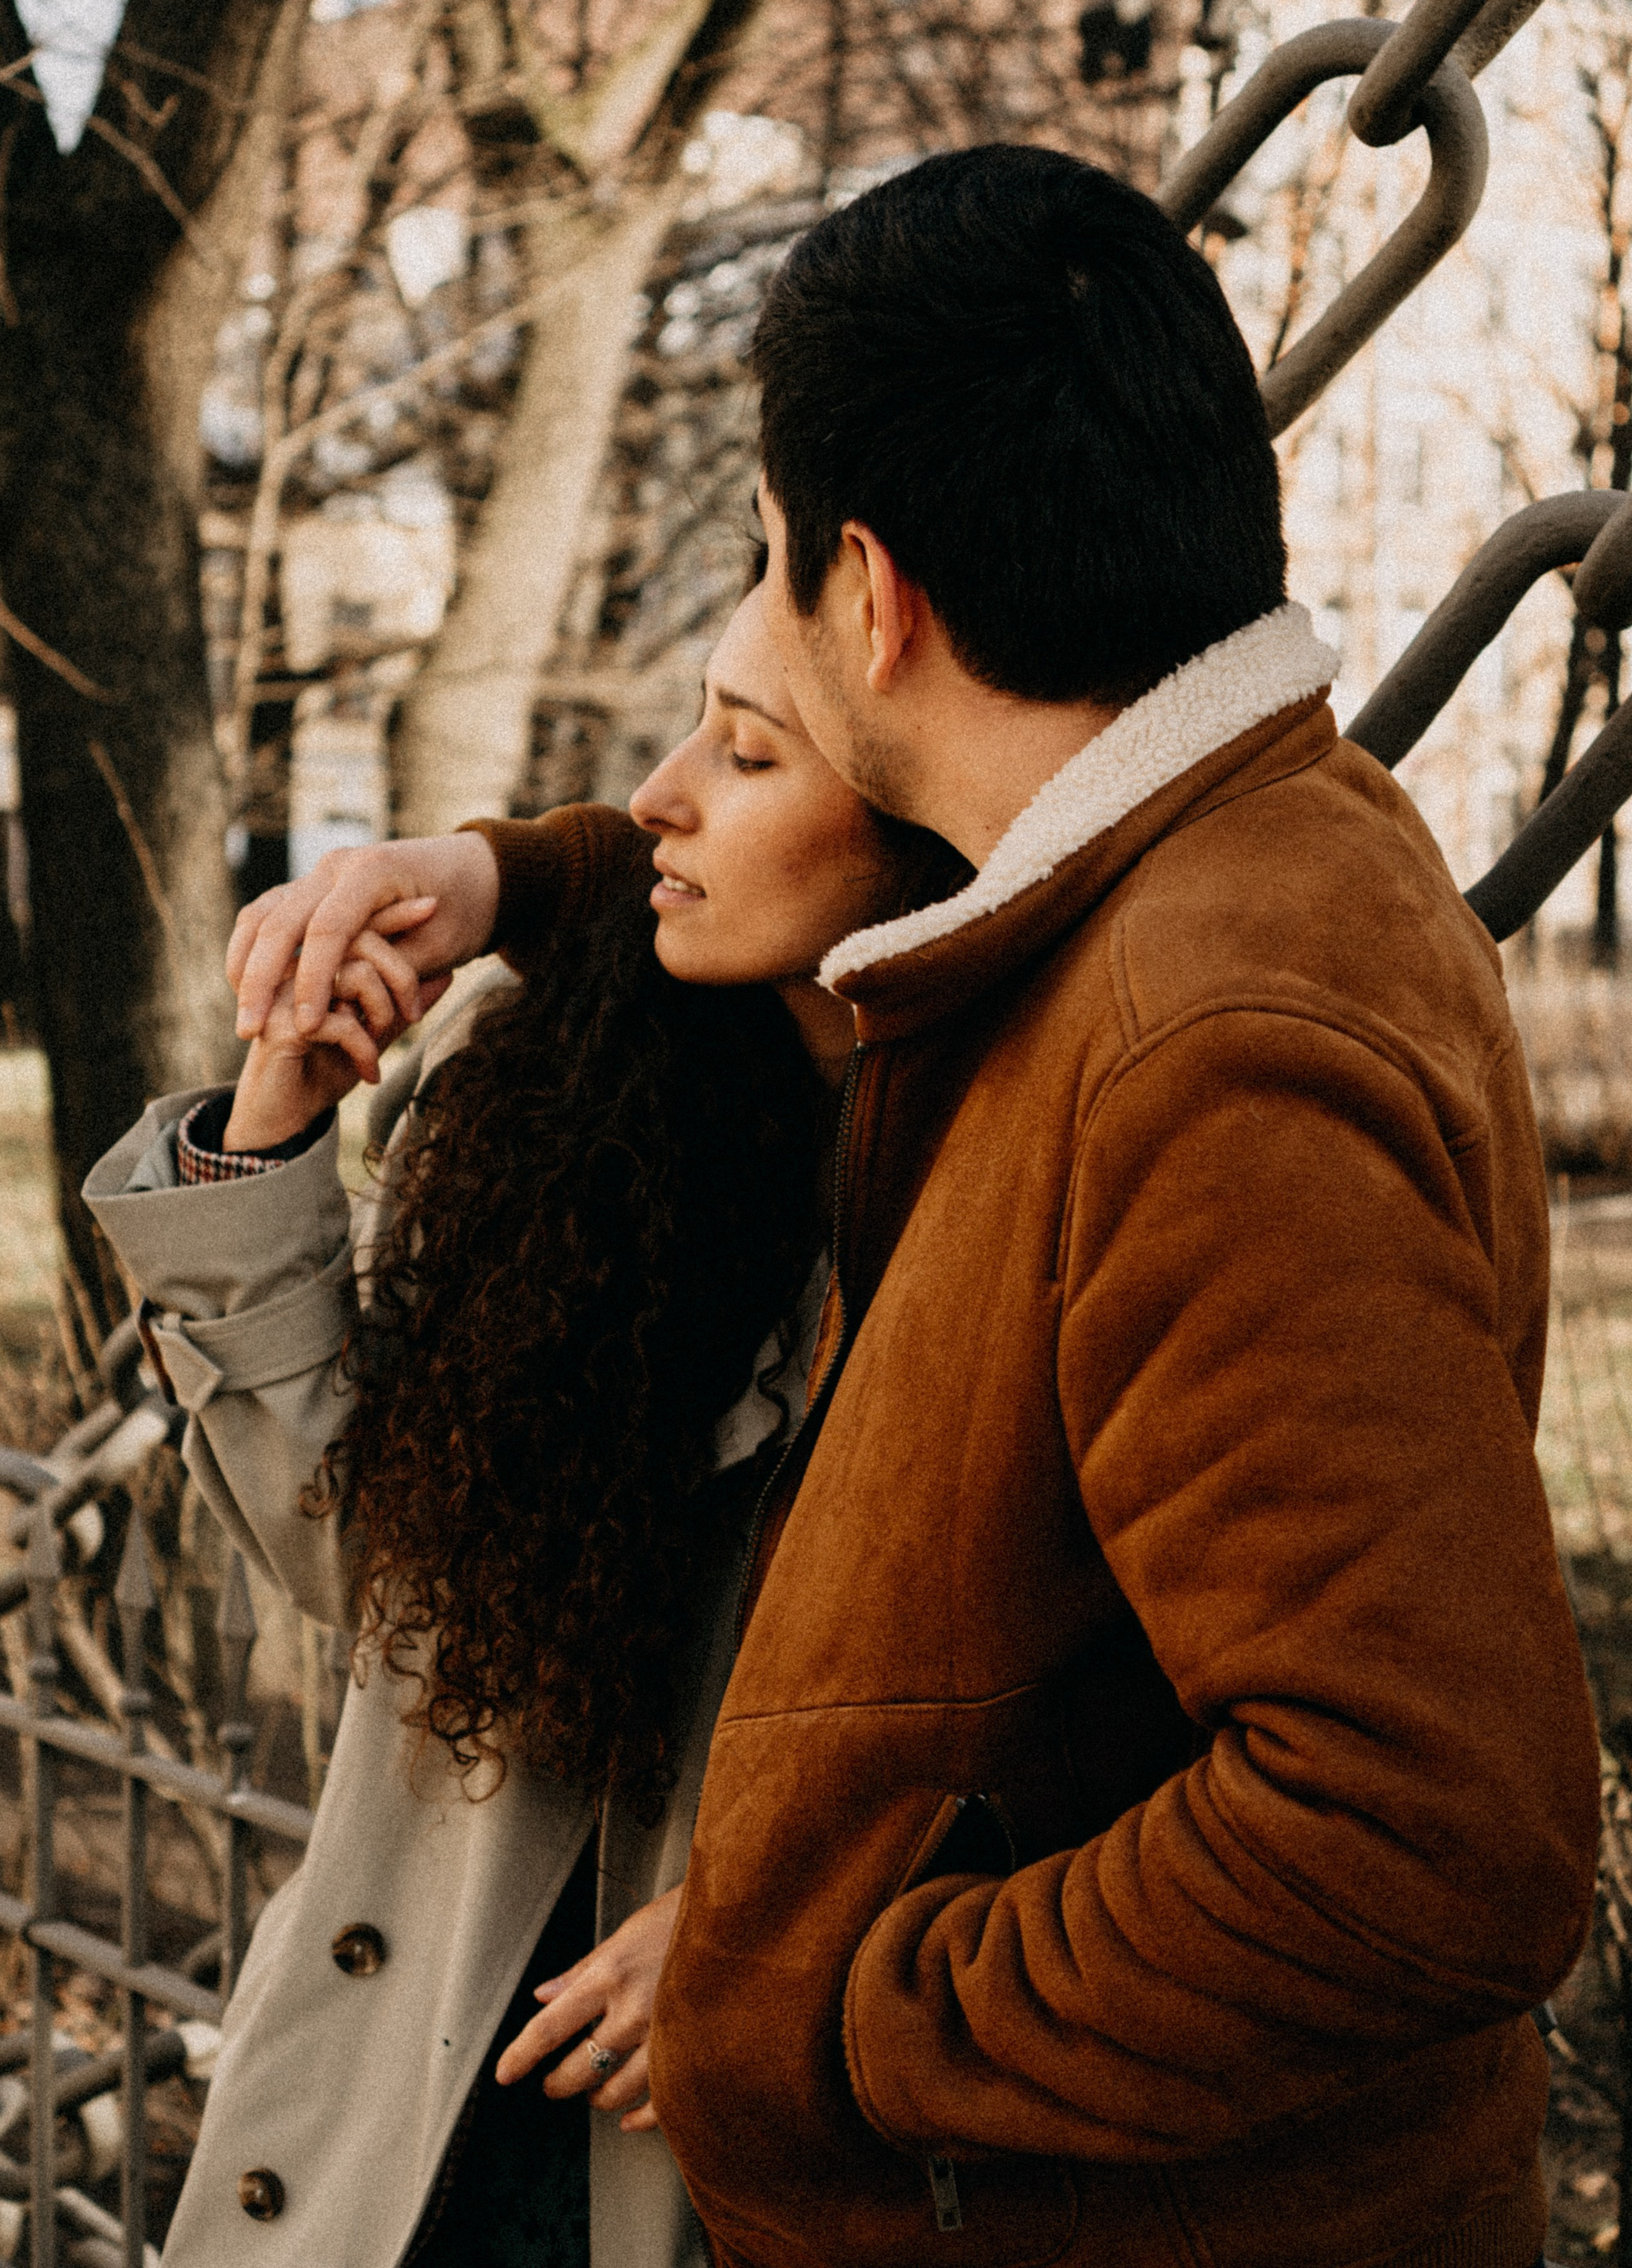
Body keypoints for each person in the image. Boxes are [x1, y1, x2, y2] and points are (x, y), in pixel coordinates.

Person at [242, 145, 1599, 2268]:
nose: (765, 644)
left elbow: (1432, 1840)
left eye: (776, 569)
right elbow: (843, 876)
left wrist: (821, 2003)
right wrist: (523, 878)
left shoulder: (1201, 1035)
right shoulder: (1204, 859)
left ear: (871, 594)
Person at [85, 585, 963, 2268]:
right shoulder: (562, 1080)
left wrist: (792, 1932)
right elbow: (376, 1566)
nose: (660, 795)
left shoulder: (1027, 1184)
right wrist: (269, 1136)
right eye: (691, 724)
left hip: (741, 2150)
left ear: (928, 818)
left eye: (749, 749)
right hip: (402, 2108)